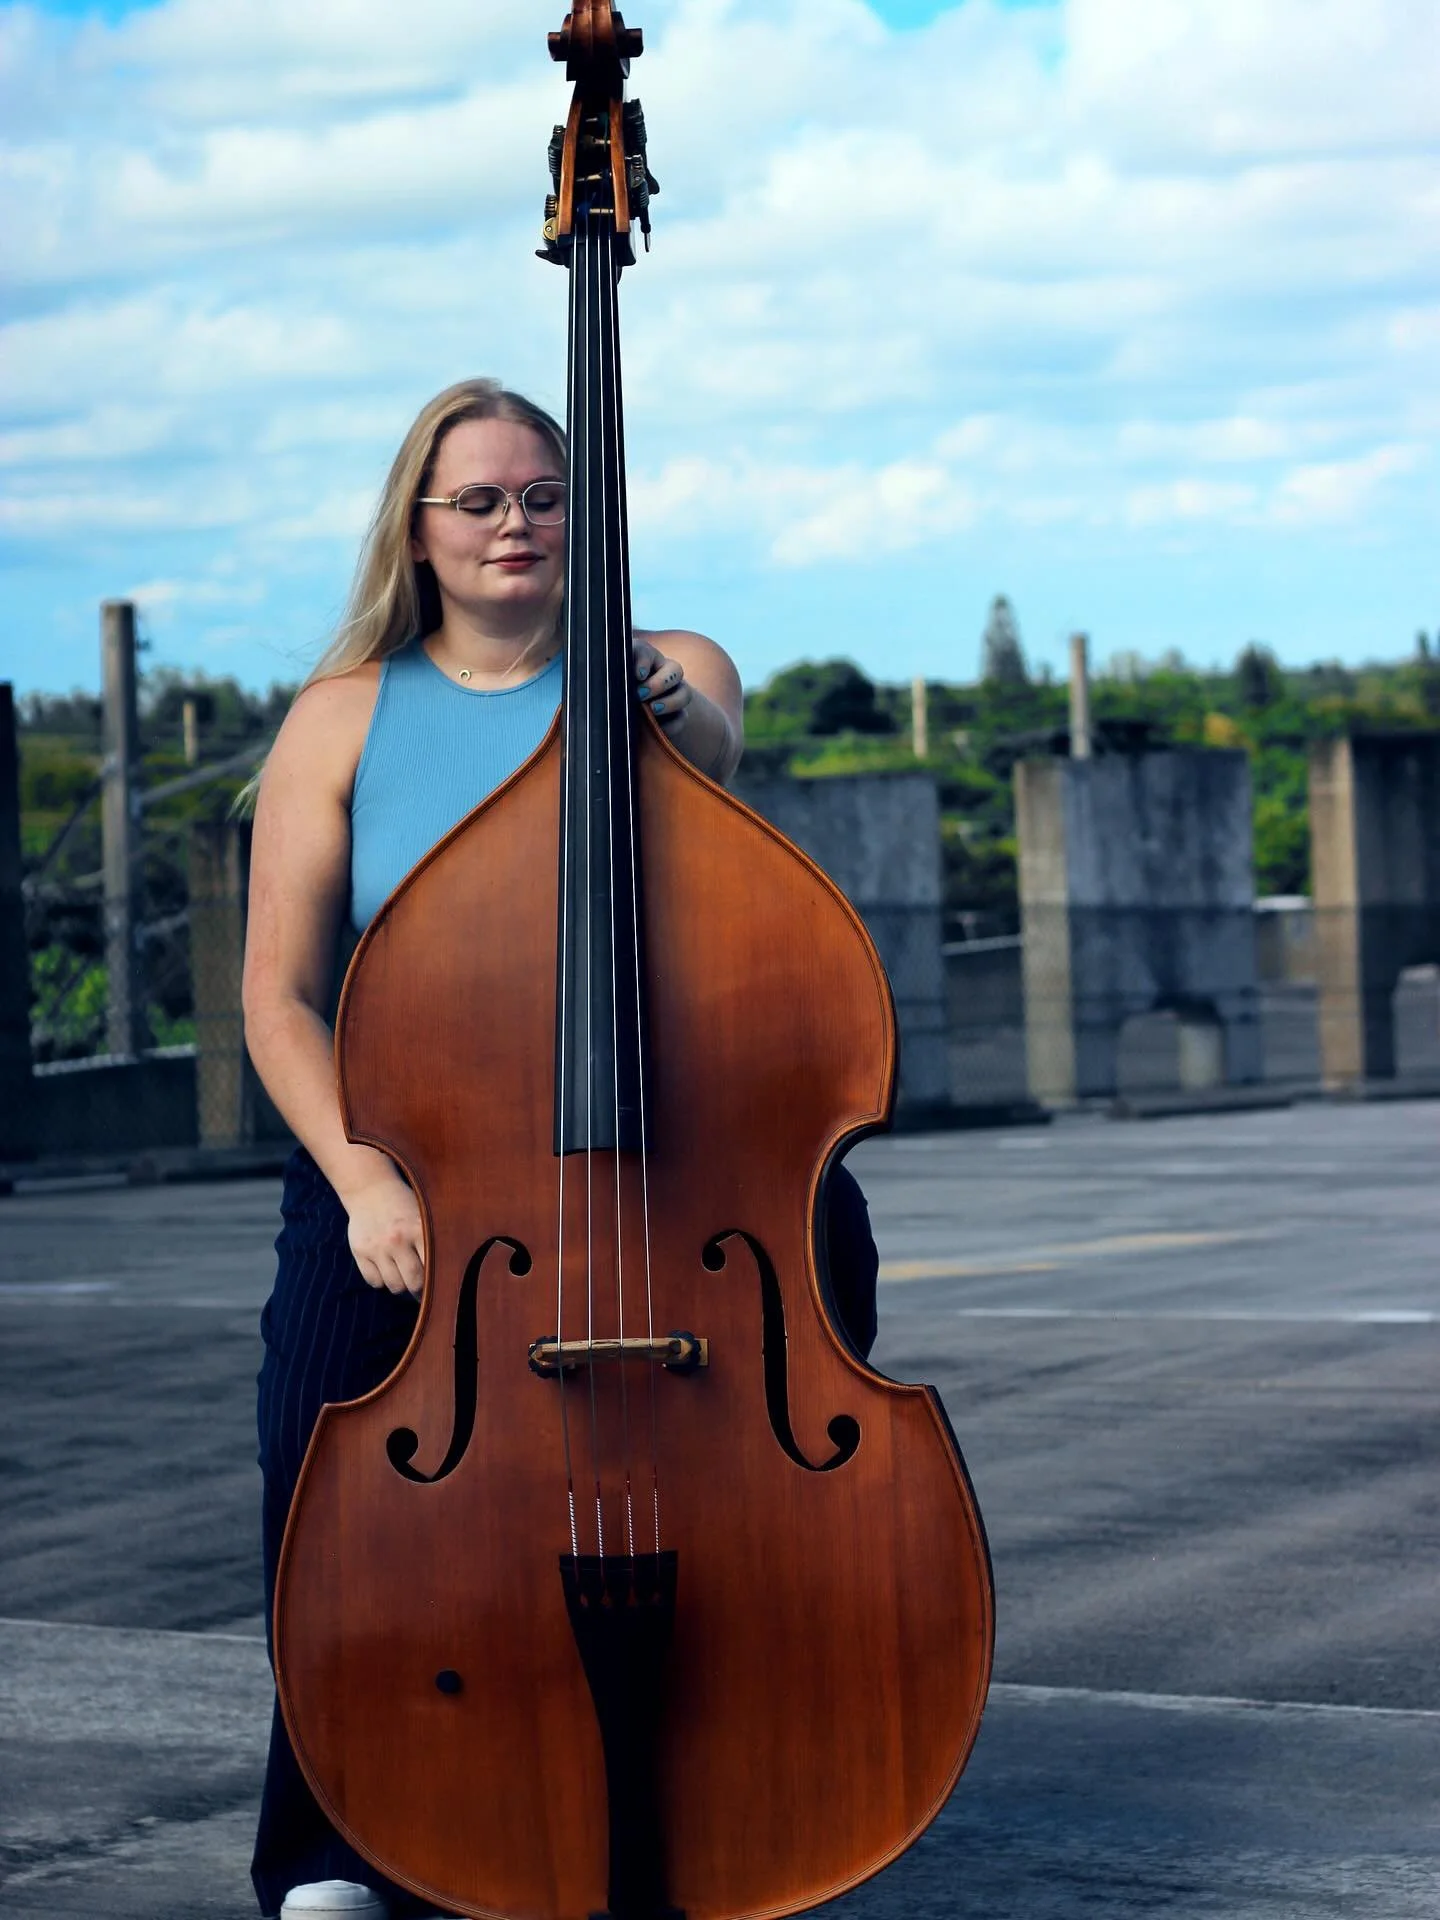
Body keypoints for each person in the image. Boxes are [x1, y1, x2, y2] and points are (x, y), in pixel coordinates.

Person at [241, 378, 880, 1920]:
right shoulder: (344, 714)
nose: (517, 522)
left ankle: (739, 1791)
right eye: (480, 500)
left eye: (545, 494)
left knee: (763, 1418)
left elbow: (713, 749)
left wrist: (669, 714)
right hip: (411, 1159)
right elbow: (276, 998)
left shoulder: (671, 670)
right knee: (322, 1478)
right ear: (420, 527)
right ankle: (338, 1845)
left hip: (672, 1169)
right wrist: (363, 1179)